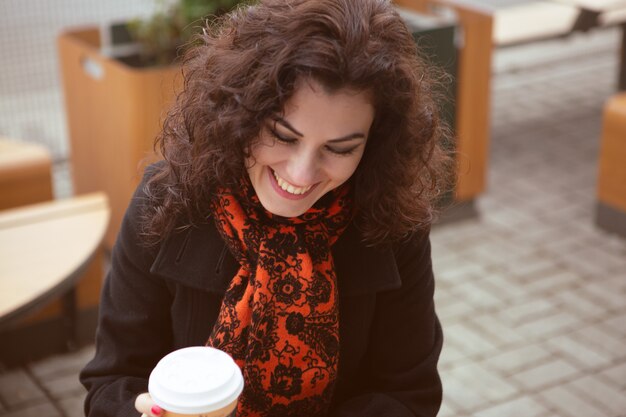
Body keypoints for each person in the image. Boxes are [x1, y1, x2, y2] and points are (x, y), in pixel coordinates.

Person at [80, 0, 451, 416]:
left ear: (377, 143)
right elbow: (109, 383)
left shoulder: (392, 222)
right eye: (283, 135)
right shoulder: (166, 202)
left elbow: (410, 394)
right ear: (240, 113)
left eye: (340, 148)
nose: (302, 173)